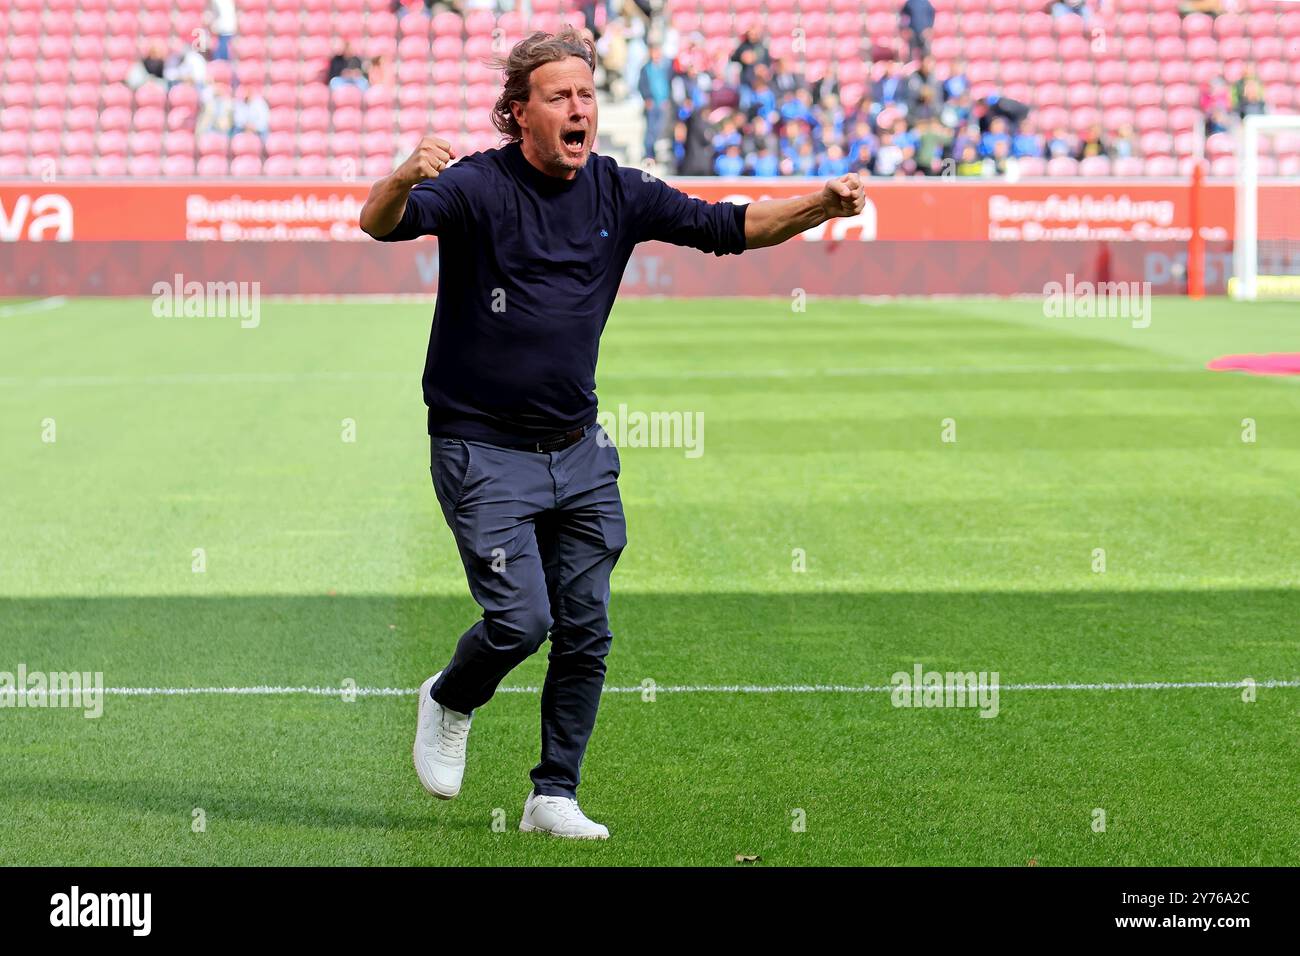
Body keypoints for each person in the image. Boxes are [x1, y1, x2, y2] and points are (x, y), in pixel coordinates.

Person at [358, 27, 865, 840]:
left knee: (586, 628)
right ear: (517, 113)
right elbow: (382, 224)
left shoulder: (618, 192)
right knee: (522, 622)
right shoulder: (480, 188)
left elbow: (731, 227)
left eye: (586, 95)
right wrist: (398, 177)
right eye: (559, 96)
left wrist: (821, 205)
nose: (578, 109)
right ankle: (451, 696)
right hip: (480, 448)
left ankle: (553, 794)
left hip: (579, 450)